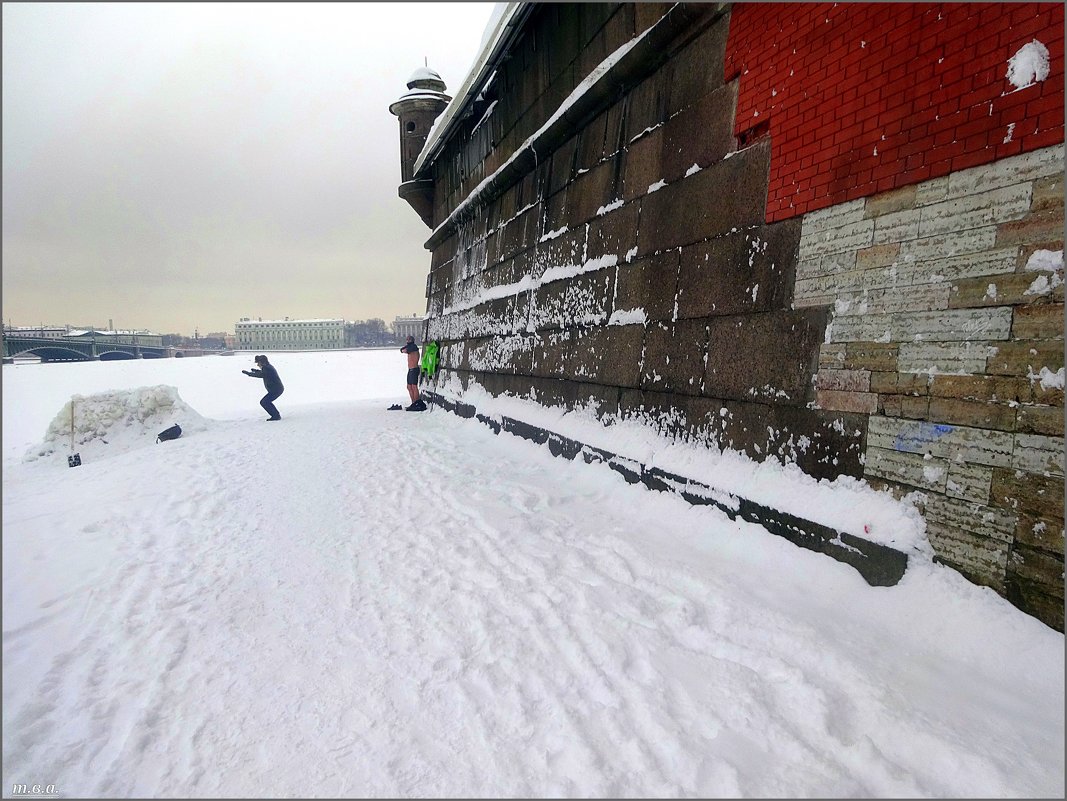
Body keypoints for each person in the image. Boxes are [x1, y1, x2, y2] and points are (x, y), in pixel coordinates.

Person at [242, 354, 284, 421]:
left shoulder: (267, 368)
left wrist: (249, 373)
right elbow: (263, 373)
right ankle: (276, 415)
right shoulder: (268, 367)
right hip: (277, 389)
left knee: (264, 402)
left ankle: (276, 416)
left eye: (258, 363)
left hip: (276, 390)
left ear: (262, 362)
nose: (257, 365)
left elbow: (261, 375)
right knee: (266, 401)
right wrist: (255, 370)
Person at [400, 335, 426, 411]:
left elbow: (406, 350)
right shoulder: (409, 347)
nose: (407, 340)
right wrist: (403, 350)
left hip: (414, 369)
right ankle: (413, 403)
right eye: (407, 339)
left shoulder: (414, 347)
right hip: (410, 369)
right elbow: (401, 350)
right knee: (409, 386)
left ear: (412, 340)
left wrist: (404, 350)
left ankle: (417, 403)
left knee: (414, 386)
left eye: (409, 339)